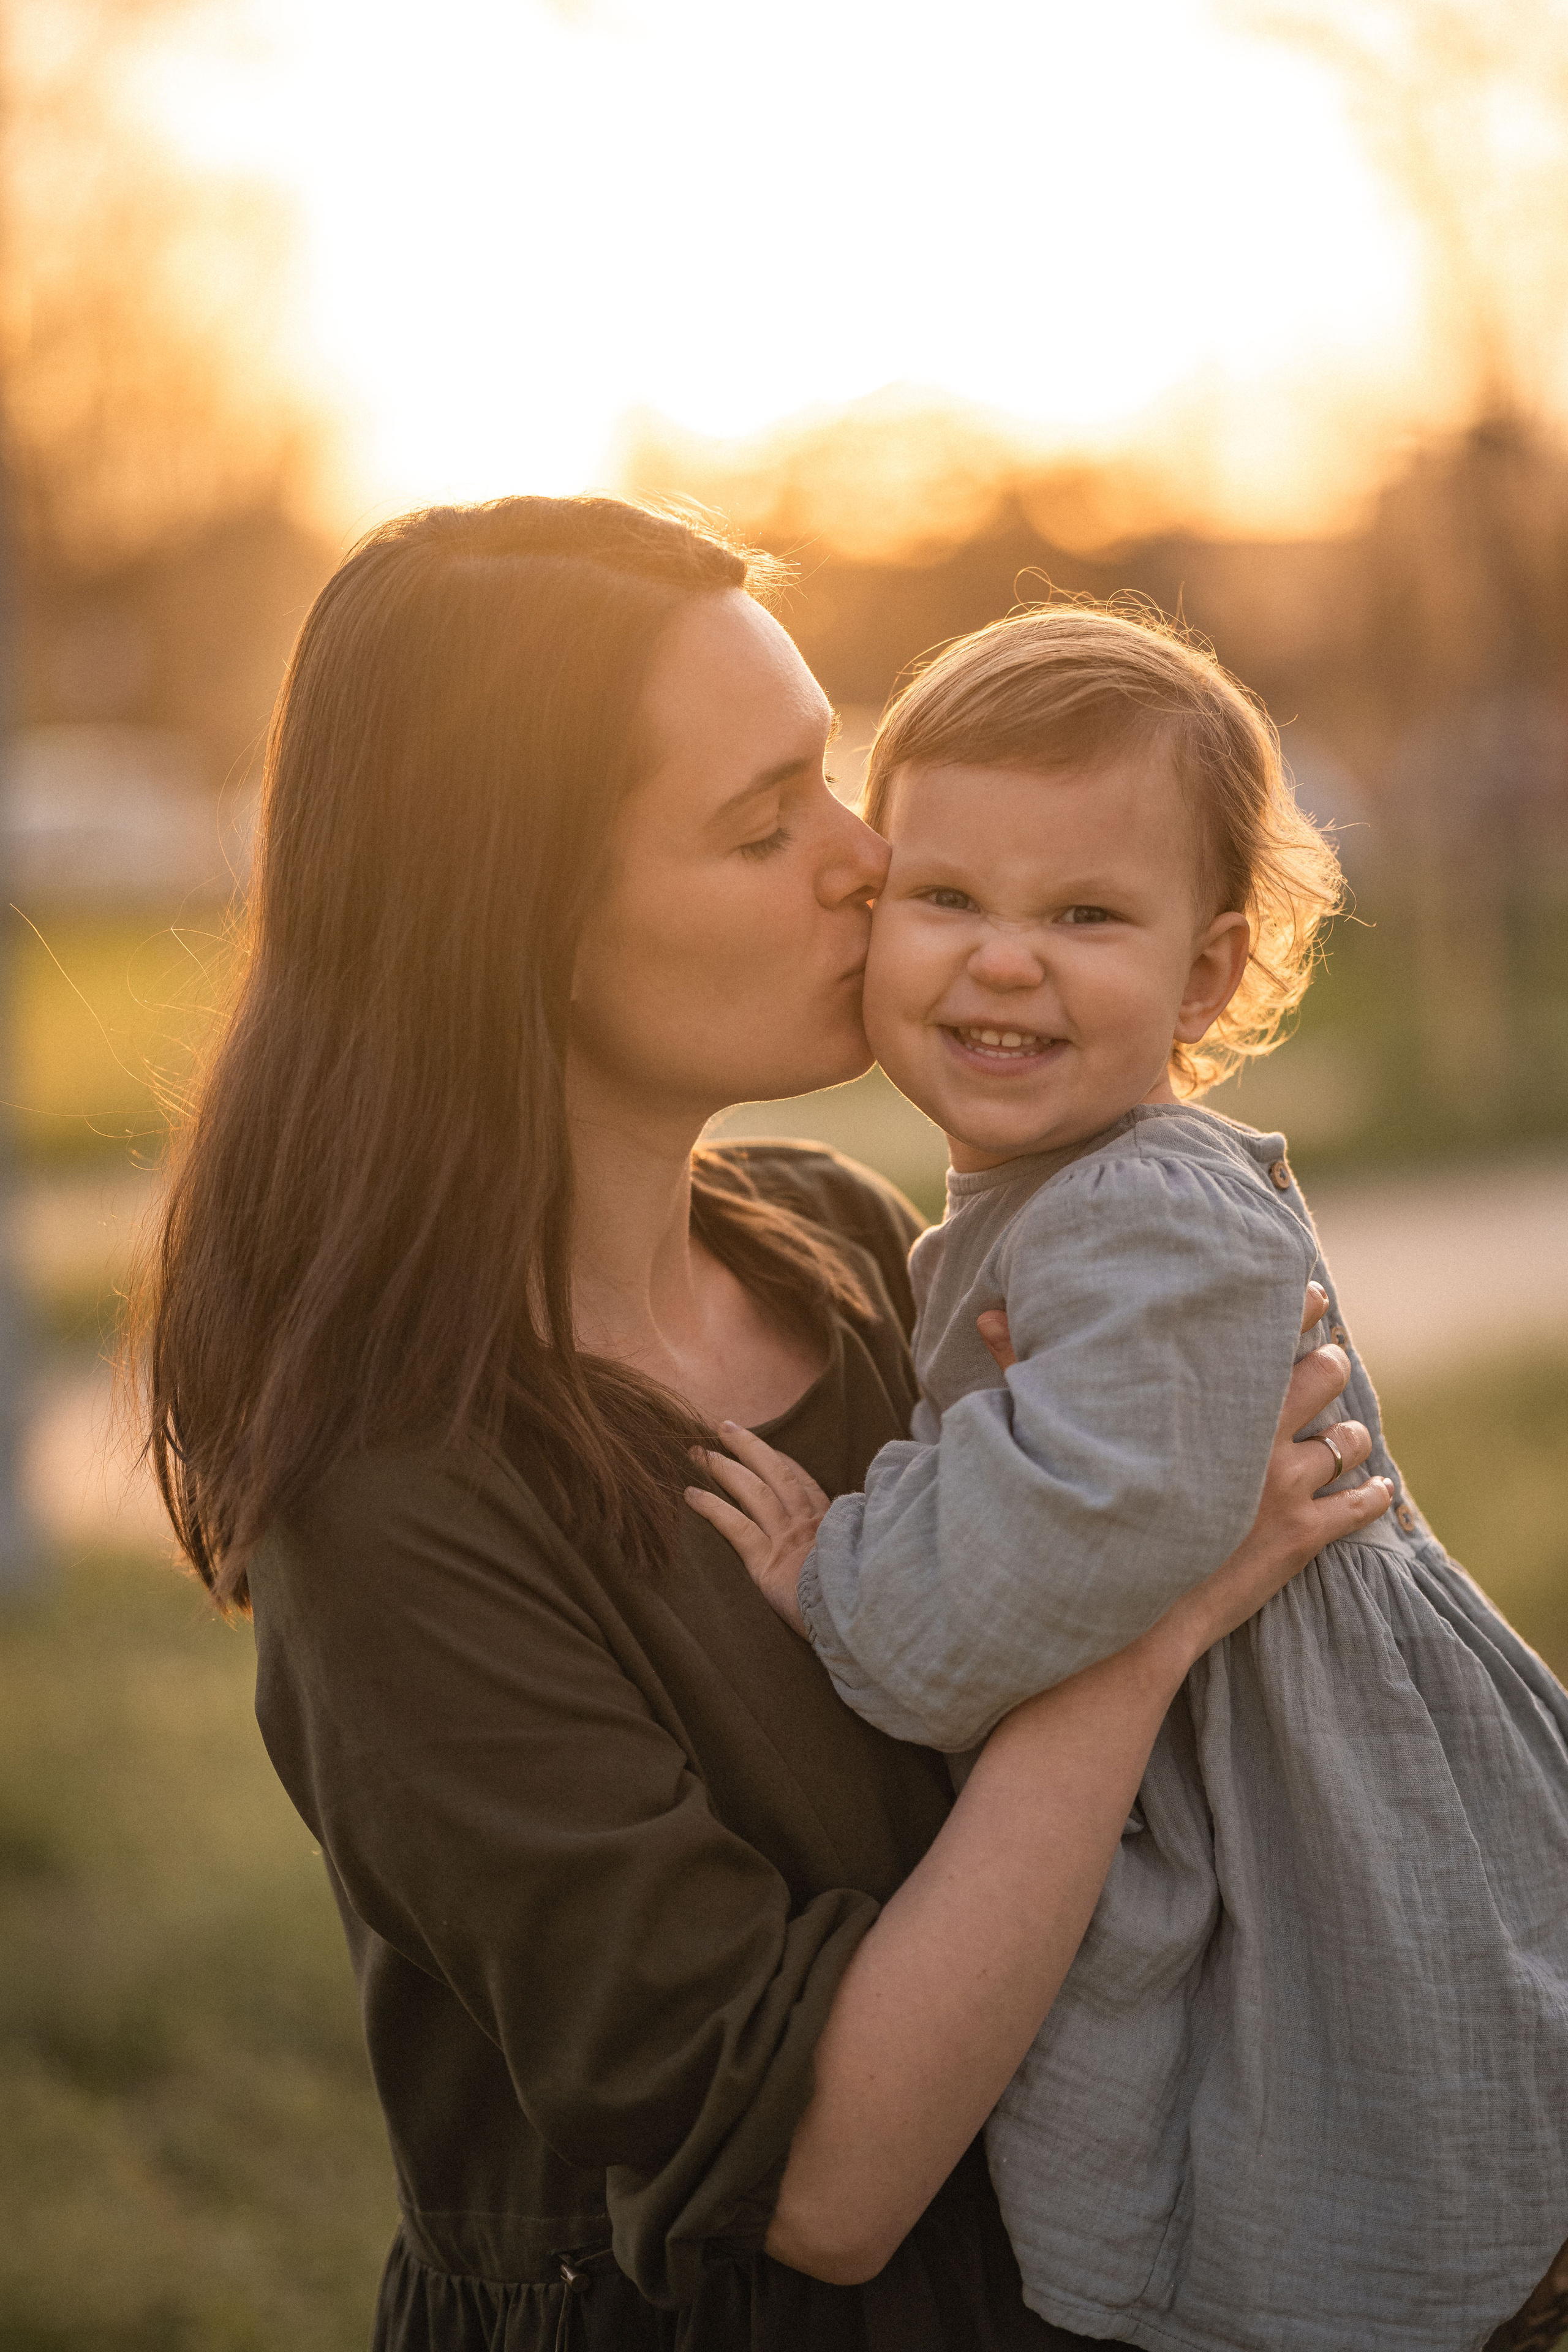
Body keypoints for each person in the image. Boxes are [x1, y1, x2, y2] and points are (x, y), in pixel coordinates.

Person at [135, 498, 1395, 2352]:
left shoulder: (849, 1244)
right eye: (762, 822)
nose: (867, 857)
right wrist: (1145, 1630)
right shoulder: (393, 1511)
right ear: (524, 924)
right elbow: (826, 2181)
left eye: (834, 777)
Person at [692, 605, 1568, 2352]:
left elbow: (1063, 1550)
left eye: (1085, 915)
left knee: (1350, 2179)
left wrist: (836, 1583)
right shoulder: (1049, 1206)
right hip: (1250, 1779)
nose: (1006, 961)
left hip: (1321, 1817)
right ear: (871, 915)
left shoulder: (1146, 1207)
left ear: (1206, 976)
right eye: (950, 899)